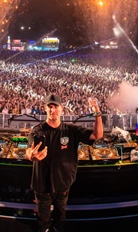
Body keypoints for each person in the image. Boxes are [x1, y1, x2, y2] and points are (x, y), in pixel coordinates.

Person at [26, 93, 103, 232]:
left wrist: (97, 112)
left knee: (60, 217)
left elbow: (97, 135)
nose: (52, 110)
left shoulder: (71, 130)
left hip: (63, 185)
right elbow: (29, 151)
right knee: (43, 220)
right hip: (42, 186)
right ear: (45, 108)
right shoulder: (37, 131)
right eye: (50, 107)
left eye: (55, 106)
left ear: (61, 108)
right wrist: (32, 156)